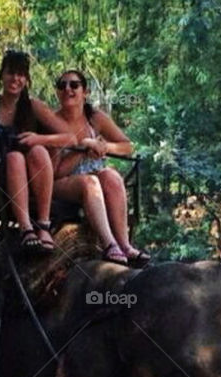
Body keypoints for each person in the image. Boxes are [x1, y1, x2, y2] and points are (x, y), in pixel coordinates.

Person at [0, 50, 74, 252]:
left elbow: (71, 136)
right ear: (2, 75)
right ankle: (26, 228)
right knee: (15, 157)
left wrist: (40, 139)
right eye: (11, 73)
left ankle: (43, 225)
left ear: (27, 80)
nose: (15, 79)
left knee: (37, 151)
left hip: (29, 178)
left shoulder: (33, 106)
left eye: (21, 75)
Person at [50, 70, 149, 266]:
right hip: (61, 183)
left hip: (94, 178)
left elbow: (127, 147)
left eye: (74, 85)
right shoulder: (52, 122)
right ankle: (108, 243)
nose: (68, 89)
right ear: (58, 93)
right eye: (63, 86)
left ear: (85, 91)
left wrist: (104, 146)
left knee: (111, 175)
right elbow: (54, 172)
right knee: (90, 181)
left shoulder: (95, 118)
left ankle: (124, 244)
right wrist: (82, 150)